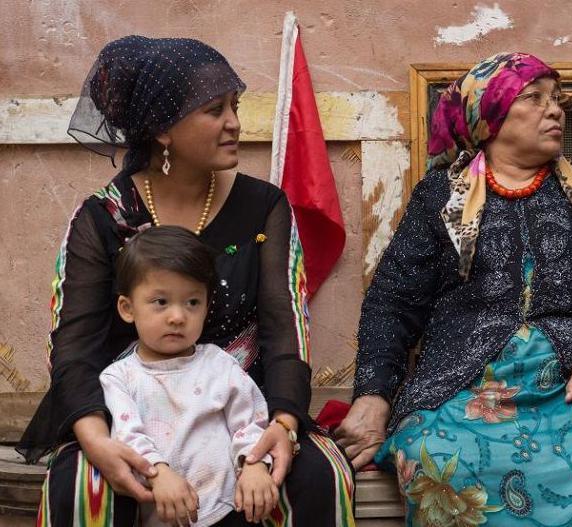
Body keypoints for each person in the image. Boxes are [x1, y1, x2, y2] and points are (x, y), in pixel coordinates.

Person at [336, 52, 572, 526]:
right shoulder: (440, 197)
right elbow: (392, 302)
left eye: (557, 100)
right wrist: (373, 395)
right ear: (489, 117)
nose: (555, 110)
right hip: (466, 381)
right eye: (534, 98)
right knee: (436, 456)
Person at [17, 36, 354, 527]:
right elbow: (74, 348)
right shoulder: (102, 217)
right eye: (214, 110)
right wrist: (98, 442)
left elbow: (287, 331)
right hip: (127, 411)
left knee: (316, 477)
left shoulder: (265, 206)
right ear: (163, 131)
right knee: (83, 490)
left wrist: (281, 424)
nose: (235, 122)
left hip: (242, 409)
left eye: (234, 106)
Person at [101, 226, 276, 526]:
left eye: (192, 302)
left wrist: (255, 465)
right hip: (162, 510)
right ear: (128, 308)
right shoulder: (120, 377)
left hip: (229, 508)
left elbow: (249, 419)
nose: (178, 316)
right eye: (161, 302)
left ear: (207, 306)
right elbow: (128, 437)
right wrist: (158, 473)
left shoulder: (218, 364)